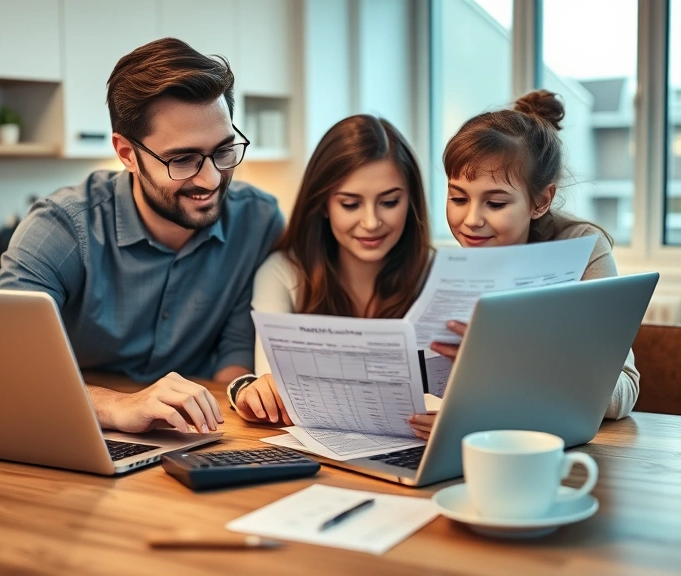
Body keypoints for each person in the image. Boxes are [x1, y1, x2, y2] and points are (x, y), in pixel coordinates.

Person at [0, 38, 284, 435]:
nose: (211, 179)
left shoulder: (258, 220)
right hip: (76, 427)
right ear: (127, 153)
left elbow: (234, 352)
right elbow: (3, 364)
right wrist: (117, 406)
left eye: (223, 151)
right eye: (183, 159)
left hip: (196, 430)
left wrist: (244, 395)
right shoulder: (62, 228)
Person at [407, 89, 640, 440]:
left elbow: (622, 393)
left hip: (549, 453)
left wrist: (515, 355)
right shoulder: (445, 266)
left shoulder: (582, 248)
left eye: (496, 203)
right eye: (458, 198)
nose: (471, 220)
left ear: (541, 201)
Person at [225, 115, 432, 424]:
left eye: (389, 202)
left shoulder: (434, 273)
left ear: (410, 200)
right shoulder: (282, 274)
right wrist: (254, 391)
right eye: (350, 204)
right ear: (323, 204)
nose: (371, 222)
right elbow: (273, 389)